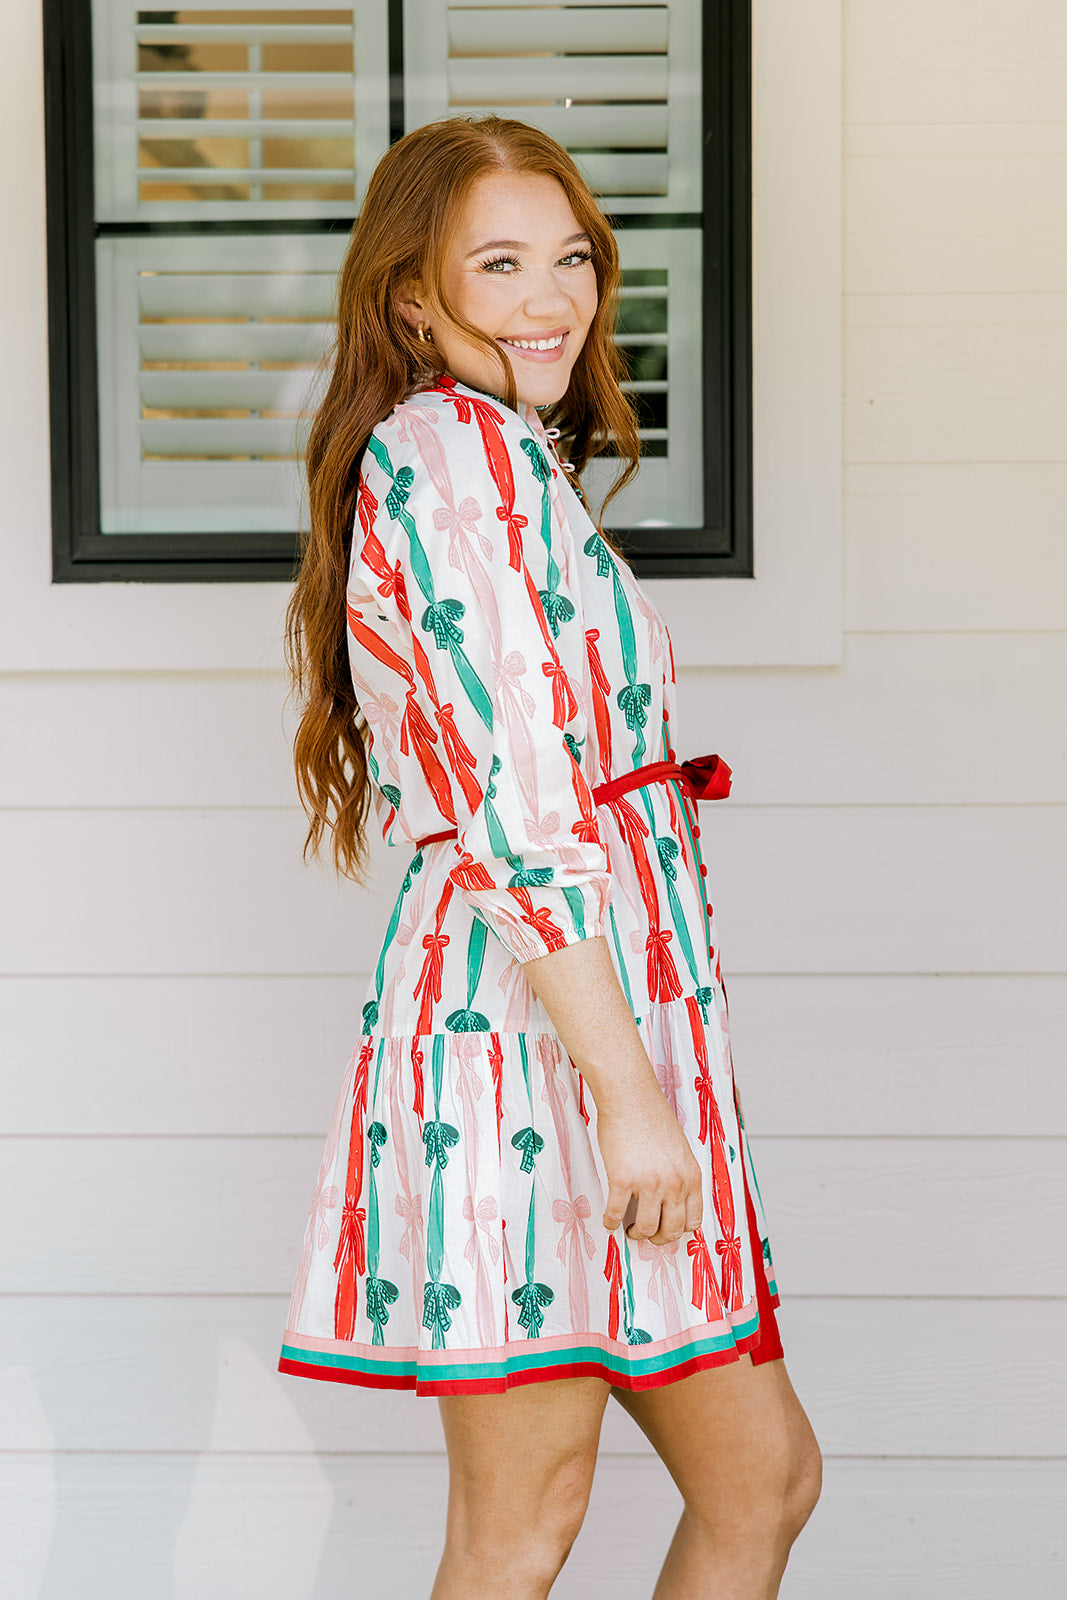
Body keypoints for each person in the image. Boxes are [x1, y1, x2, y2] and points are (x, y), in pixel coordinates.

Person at [278, 114, 821, 1599]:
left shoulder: (512, 464)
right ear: (412, 296)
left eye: (571, 257)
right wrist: (631, 1093)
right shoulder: (448, 457)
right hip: (529, 1046)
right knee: (522, 1527)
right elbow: (518, 807)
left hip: (600, 1033)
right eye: (501, 263)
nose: (553, 298)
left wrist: (646, 1076)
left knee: (761, 1480)